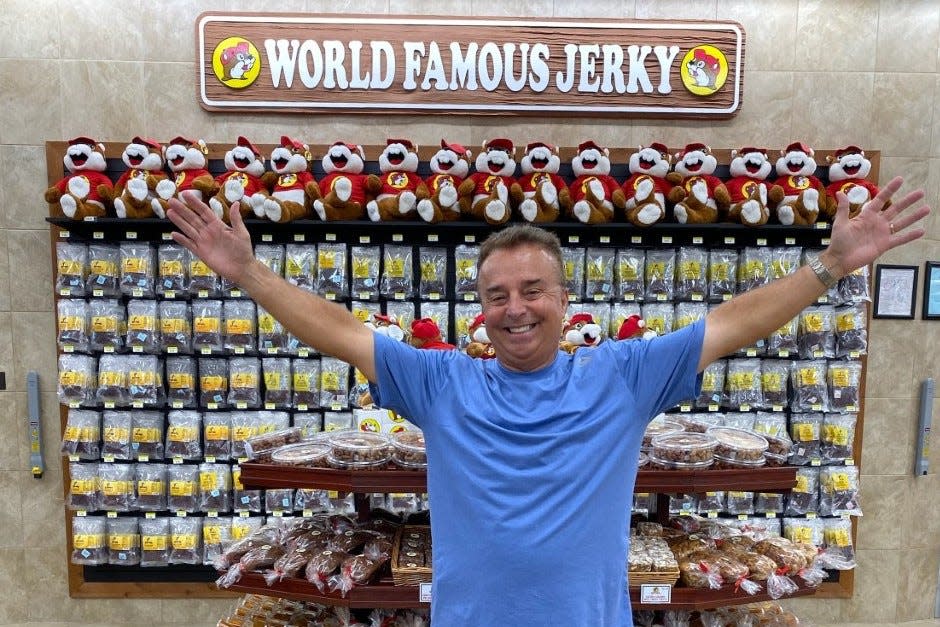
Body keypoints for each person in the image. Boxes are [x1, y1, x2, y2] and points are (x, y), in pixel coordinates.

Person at [167, 176, 928, 626]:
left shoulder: (623, 376)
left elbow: (730, 322)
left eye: (532, 290)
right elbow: (340, 331)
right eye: (496, 294)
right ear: (479, 308)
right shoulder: (441, 383)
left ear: (564, 300)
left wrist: (830, 265)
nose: (515, 308)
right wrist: (248, 274)